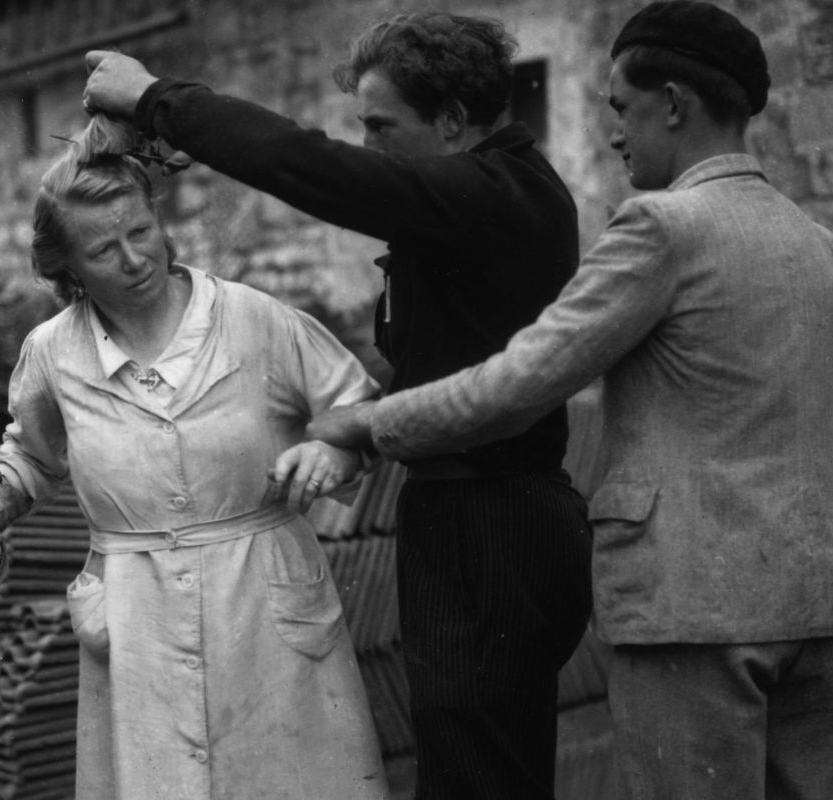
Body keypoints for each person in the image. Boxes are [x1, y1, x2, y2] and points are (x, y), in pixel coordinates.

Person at [310, 3, 833, 798]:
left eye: (620, 107)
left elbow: (524, 380)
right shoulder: (818, 244)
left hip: (691, 611)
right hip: (816, 606)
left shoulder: (661, 226)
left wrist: (373, 421)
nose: (614, 133)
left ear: (673, 104)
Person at [83, 13, 593, 799]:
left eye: (383, 127)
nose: (370, 149)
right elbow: (449, 359)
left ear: (454, 121)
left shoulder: (493, 194)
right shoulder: (487, 197)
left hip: (491, 528)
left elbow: (307, 166)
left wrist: (155, 98)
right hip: (483, 521)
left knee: (477, 776)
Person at [0, 117, 388, 800]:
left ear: (158, 215)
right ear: (65, 269)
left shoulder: (252, 320)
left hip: (263, 604)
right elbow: (29, 458)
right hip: (135, 615)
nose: (133, 259)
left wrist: (333, 448)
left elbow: (362, 412)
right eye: (102, 250)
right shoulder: (55, 353)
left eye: (140, 232)